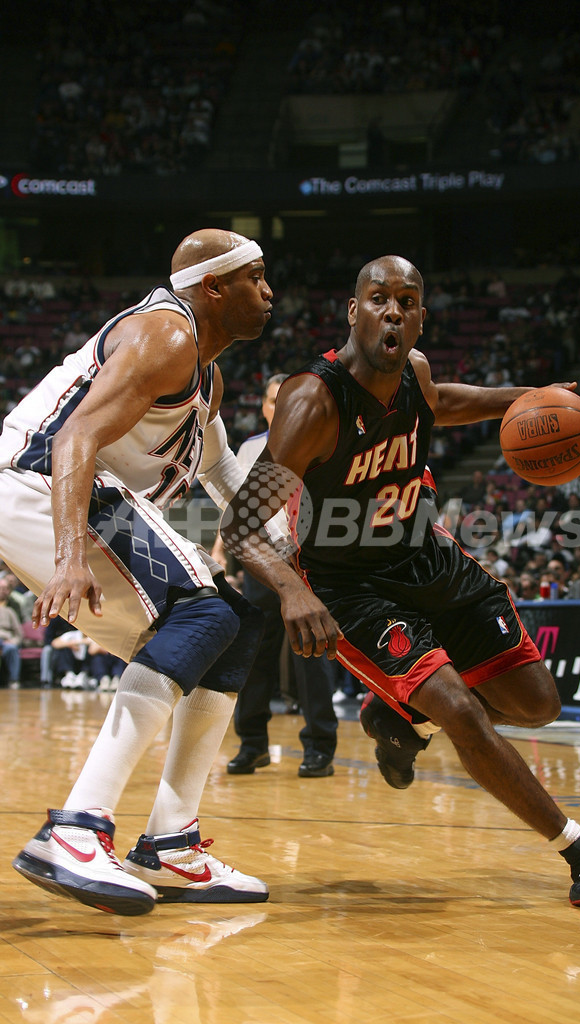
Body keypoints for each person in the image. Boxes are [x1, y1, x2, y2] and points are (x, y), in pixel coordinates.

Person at [221, 254, 580, 911]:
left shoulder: (415, 372)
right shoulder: (312, 401)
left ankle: (402, 717)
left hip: (426, 558)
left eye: (406, 301)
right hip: (350, 586)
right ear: (353, 311)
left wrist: (533, 400)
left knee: (537, 704)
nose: (392, 311)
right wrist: (293, 590)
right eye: (378, 298)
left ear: (420, 318)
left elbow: (445, 402)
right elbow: (240, 523)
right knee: (461, 710)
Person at [0, 229, 277, 916]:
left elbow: (222, 474)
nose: (270, 292)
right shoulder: (167, 336)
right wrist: (69, 555)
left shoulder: (203, 376)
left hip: (70, 492)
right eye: (256, 277)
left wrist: (296, 556)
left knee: (231, 629)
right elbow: (75, 436)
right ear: (214, 287)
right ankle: (75, 829)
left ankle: (171, 843)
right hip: (40, 480)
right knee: (203, 611)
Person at [213, 374, 338, 778]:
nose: (278, 406)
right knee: (253, 652)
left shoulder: (320, 440)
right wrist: (221, 551)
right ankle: (252, 744)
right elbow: (234, 506)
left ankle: (320, 745)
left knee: (312, 651)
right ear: (265, 407)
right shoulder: (249, 448)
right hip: (263, 560)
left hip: (308, 557)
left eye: (284, 400)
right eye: (271, 400)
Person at [0, 575, 23, 688]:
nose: (2, 591)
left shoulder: (11, 609)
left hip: (6, 642)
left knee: (12, 649)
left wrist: (13, 641)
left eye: (5, 588)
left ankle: (14, 680)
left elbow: (19, 633)